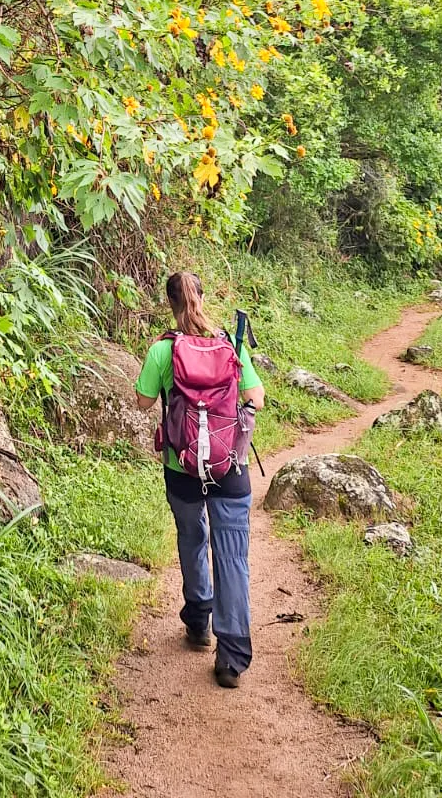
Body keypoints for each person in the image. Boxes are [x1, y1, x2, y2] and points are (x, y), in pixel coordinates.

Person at [134, 270, 265, 689]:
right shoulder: (230, 344)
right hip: (229, 469)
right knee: (232, 555)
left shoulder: (163, 351)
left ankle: (198, 619)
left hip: (182, 469)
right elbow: (255, 398)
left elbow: (141, 402)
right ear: (202, 298)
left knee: (192, 539)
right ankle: (232, 658)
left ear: (169, 303)